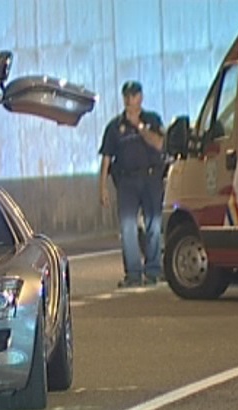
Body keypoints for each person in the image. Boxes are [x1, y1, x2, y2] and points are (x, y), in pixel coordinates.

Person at [98, 81, 166, 288]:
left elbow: (159, 143)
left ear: (141, 97)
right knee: (127, 226)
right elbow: (106, 158)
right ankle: (133, 274)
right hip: (127, 180)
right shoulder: (114, 127)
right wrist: (102, 187)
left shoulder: (152, 120)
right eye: (126, 96)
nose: (129, 100)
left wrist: (139, 126)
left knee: (153, 223)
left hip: (151, 177)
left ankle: (153, 269)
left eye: (134, 95)